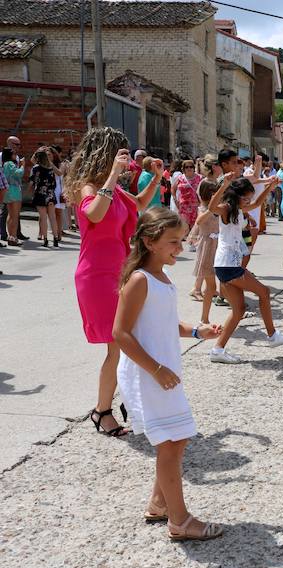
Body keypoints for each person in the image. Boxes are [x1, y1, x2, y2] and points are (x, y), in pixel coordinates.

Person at [113, 207, 224, 541]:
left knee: (180, 436)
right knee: (171, 443)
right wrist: (156, 369)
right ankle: (180, 521)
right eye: (173, 241)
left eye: (181, 240)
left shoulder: (161, 277)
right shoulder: (139, 279)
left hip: (163, 370)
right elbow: (120, 332)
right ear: (150, 242)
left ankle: (160, 503)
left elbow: (164, 324)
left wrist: (196, 331)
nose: (181, 247)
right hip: (149, 372)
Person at [65, 127, 162, 437]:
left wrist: (158, 177)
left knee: (131, 341)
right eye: (119, 152)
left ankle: (126, 403)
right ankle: (102, 411)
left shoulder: (116, 190)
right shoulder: (89, 187)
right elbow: (94, 214)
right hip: (96, 276)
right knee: (117, 345)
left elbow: (140, 205)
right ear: (104, 155)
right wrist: (112, 176)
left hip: (120, 272)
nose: (124, 158)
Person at [208, 176, 283, 364]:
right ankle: (272, 336)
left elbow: (256, 203)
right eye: (245, 198)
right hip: (227, 264)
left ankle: (217, 350)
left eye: (248, 197)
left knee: (239, 310)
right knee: (264, 292)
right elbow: (210, 208)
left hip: (229, 263)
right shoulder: (225, 208)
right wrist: (223, 185)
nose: (248, 201)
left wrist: (270, 187)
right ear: (236, 195)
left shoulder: (239, 209)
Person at [188, 181, 220, 324]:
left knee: (222, 281)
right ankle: (204, 318)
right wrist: (211, 209)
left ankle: (237, 307)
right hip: (208, 245)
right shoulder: (203, 208)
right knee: (210, 282)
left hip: (219, 244)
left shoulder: (219, 207)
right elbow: (199, 221)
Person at [29, 147, 60, 248]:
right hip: (50, 194)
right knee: (52, 217)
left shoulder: (36, 168)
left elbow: (32, 181)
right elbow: (57, 177)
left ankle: (45, 239)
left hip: (40, 194)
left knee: (43, 218)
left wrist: (28, 191)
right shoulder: (50, 167)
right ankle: (56, 238)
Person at [2, 147, 24, 246]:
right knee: (15, 216)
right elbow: (18, 173)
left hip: (7, 190)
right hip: (14, 190)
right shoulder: (10, 163)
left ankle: (10, 236)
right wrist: (23, 166)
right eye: (14, 153)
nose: (16, 155)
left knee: (10, 215)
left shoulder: (4, 164)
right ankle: (13, 237)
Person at [172, 159, 201, 229]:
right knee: (184, 227)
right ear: (183, 169)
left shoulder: (199, 178)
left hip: (196, 206)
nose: (189, 168)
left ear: (194, 168)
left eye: (191, 167)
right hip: (183, 206)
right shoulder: (180, 178)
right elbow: (173, 189)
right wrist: (175, 199)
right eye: (186, 167)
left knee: (195, 227)